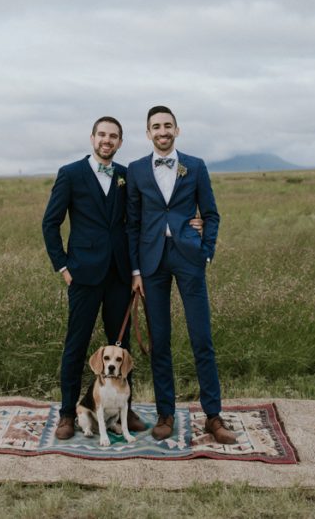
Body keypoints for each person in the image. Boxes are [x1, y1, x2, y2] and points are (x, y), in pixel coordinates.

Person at [126, 105, 237, 444]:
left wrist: (206, 252)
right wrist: (135, 270)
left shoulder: (197, 166)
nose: (162, 131)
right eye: (156, 126)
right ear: (148, 133)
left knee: (201, 337)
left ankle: (213, 416)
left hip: (189, 258)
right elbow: (132, 223)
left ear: (177, 130)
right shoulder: (135, 170)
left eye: (167, 125)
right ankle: (165, 413)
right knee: (160, 341)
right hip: (152, 262)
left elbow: (212, 214)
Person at [42, 116, 145, 439]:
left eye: (113, 136)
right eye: (102, 135)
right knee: (77, 345)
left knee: (121, 348)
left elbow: (136, 223)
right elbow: (50, 223)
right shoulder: (70, 174)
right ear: (92, 138)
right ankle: (67, 413)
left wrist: (134, 271)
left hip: (118, 275)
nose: (107, 140)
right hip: (83, 275)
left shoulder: (126, 176)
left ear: (120, 142)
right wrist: (63, 266)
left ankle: (123, 412)